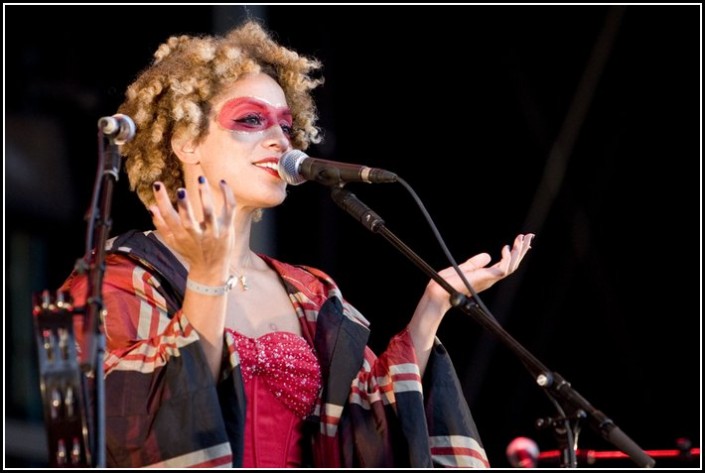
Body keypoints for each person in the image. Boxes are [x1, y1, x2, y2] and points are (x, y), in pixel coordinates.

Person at [61, 20, 534, 468]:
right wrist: (206, 279)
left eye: (286, 126)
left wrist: (432, 308)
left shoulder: (309, 292)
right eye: (251, 119)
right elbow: (135, 427)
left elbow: (369, 433)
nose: (281, 142)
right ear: (186, 139)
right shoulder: (121, 280)